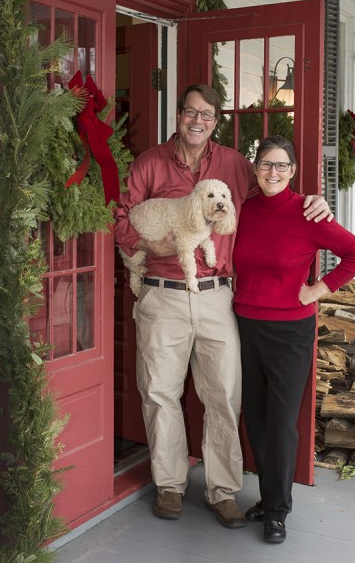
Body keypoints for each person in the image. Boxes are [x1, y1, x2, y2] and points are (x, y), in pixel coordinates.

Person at [114, 84, 332, 529]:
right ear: (179, 116)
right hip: (162, 293)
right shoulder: (149, 164)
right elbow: (121, 215)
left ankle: (222, 490)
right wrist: (145, 241)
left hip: (218, 295)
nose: (198, 120)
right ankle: (171, 486)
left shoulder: (234, 163)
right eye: (190, 112)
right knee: (159, 392)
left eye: (207, 115)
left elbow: (275, 191)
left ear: (216, 122)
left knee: (224, 396)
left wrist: (314, 200)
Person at [232, 135, 355, 544]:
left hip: (291, 329)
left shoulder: (308, 213)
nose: (272, 172)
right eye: (266, 165)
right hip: (246, 322)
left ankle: (277, 511)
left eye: (281, 166)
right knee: (255, 416)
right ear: (255, 168)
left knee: (280, 420)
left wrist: (316, 289)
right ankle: (269, 495)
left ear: (292, 172)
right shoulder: (245, 209)